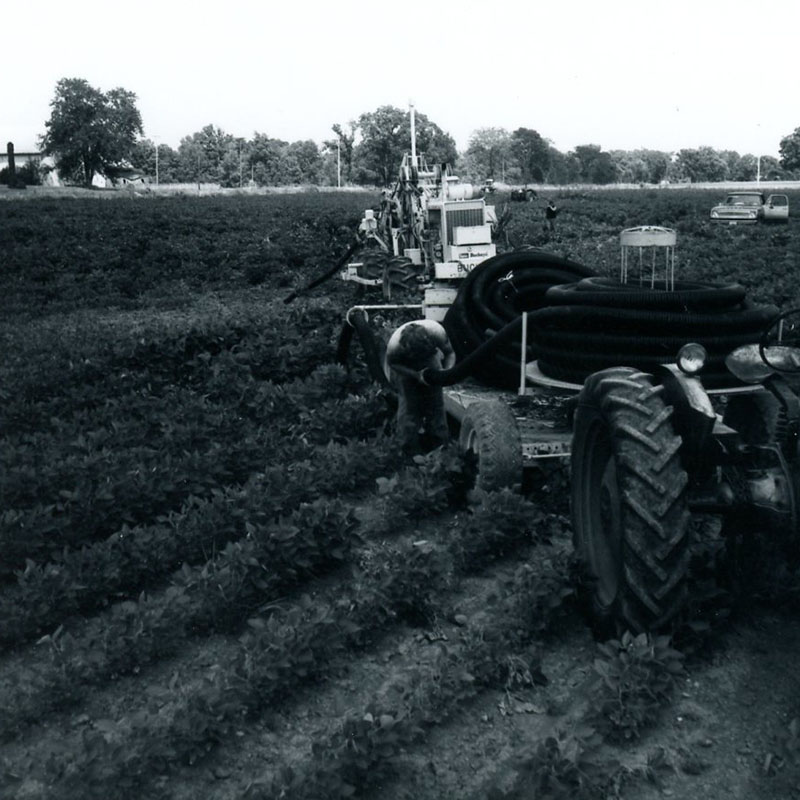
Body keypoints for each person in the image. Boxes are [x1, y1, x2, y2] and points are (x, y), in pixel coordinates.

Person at [383, 319, 456, 454]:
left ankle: (442, 448)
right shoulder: (395, 346)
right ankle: (407, 450)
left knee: (436, 406)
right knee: (408, 409)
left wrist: (445, 372)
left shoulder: (437, 332)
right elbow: (393, 364)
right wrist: (416, 375)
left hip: (430, 359)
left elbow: (450, 353)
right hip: (404, 364)